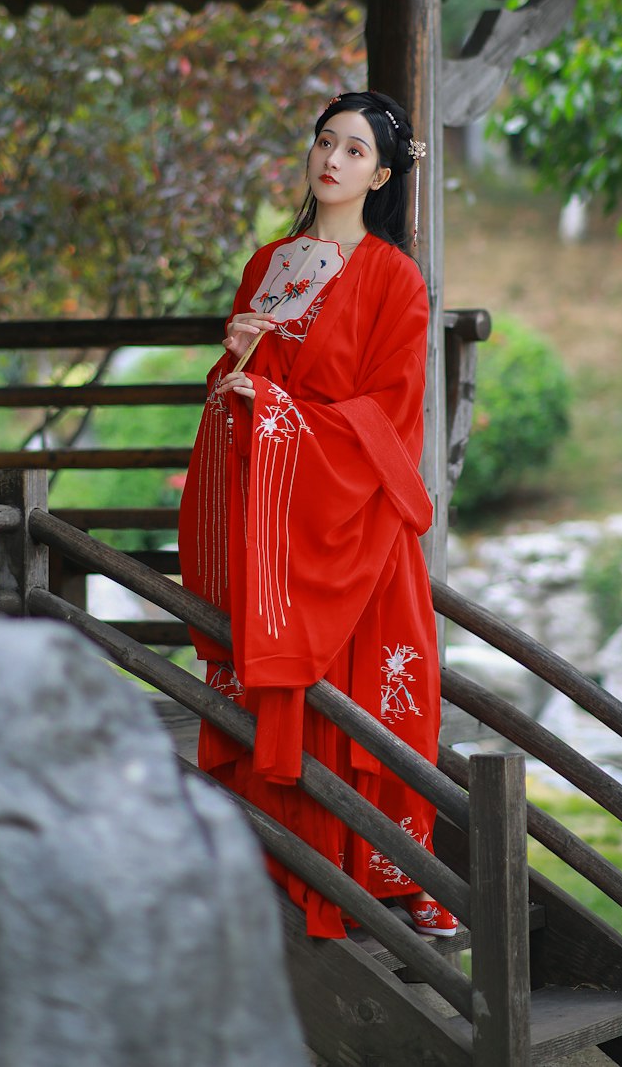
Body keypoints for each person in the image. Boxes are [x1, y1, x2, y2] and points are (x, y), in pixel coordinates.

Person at [178, 90, 455, 941]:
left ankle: (385, 877)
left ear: (380, 176)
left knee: (374, 700)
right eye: (324, 142)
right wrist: (240, 374)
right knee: (271, 699)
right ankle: (272, 864)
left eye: (355, 151)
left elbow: (391, 419)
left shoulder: (395, 280)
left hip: (354, 529)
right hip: (276, 532)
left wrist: (277, 410)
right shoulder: (269, 264)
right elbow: (239, 399)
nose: (332, 161)